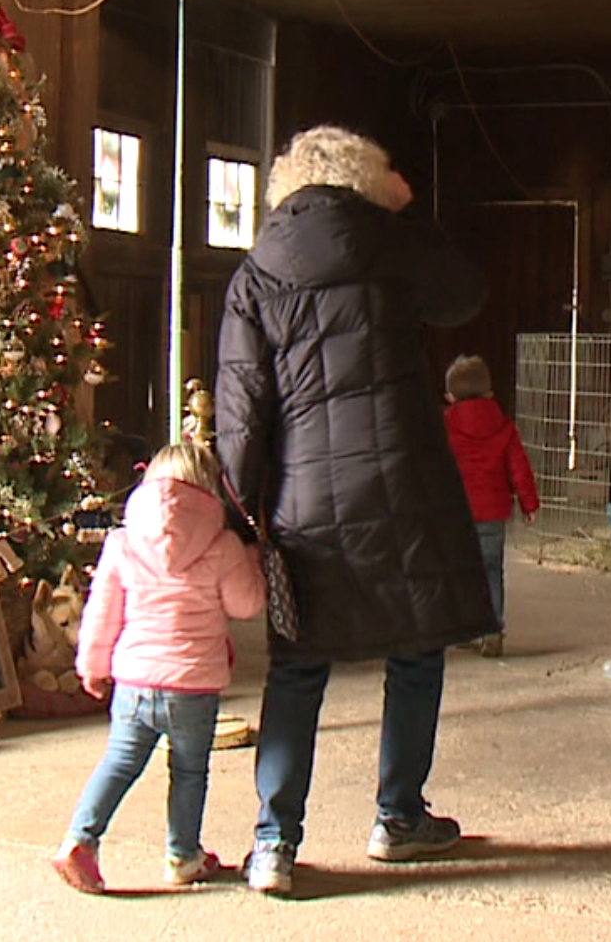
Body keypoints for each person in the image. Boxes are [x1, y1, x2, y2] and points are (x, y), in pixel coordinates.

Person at [215, 125, 493, 896]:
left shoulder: (256, 272)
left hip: (306, 495)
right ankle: (399, 817)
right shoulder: (391, 244)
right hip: (407, 484)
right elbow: (466, 292)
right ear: (366, 182)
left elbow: (240, 413)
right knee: (415, 649)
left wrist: (245, 515)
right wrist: (410, 215)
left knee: (298, 668)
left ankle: (273, 841)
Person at [49, 442, 265, 894]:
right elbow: (247, 605)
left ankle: (79, 840)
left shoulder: (123, 541)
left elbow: (102, 612)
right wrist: (251, 560)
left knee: (120, 762)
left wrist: (92, 665)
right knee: (188, 771)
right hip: (193, 685)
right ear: (208, 488)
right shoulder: (222, 542)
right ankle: (183, 855)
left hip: (135, 682)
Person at [442, 354, 540, 658]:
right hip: (492, 514)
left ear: (449, 396)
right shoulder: (504, 426)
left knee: (459, 572)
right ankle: (492, 629)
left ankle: (465, 628)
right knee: (491, 570)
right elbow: (518, 468)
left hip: (455, 514)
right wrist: (529, 502)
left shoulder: (444, 425)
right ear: (489, 393)